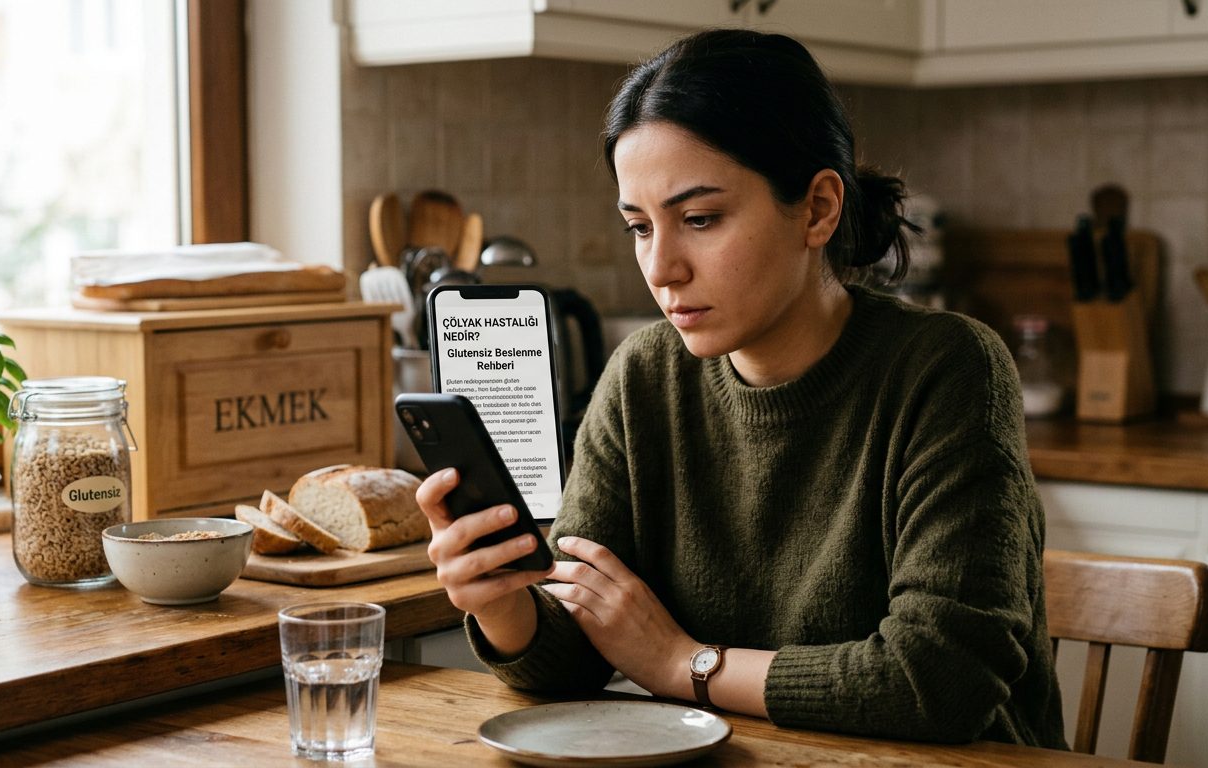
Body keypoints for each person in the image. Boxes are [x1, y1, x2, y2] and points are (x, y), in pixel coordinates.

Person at [415, 28, 1066, 748]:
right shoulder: (642, 377)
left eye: (699, 219)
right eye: (639, 227)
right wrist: (503, 601)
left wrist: (679, 663)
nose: (661, 267)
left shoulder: (948, 370)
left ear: (818, 208)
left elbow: (939, 680)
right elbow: (578, 649)